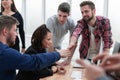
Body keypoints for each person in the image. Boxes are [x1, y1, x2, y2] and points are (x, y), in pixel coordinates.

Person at [0, 15, 70, 80]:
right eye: (15, 30)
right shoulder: (4, 53)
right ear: (5, 31)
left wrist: (55, 64)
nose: (16, 33)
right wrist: (58, 54)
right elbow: (34, 61)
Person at [62, 0, 113, 65]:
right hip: (85, 56)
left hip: (100, 56)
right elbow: (76, 33)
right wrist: (72, 42)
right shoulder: (82, 22)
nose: (84, 14)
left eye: (86, 11)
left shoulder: (104, 22)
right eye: (82, 12)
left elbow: (107, 43)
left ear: (94, 11)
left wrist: (104, 62)